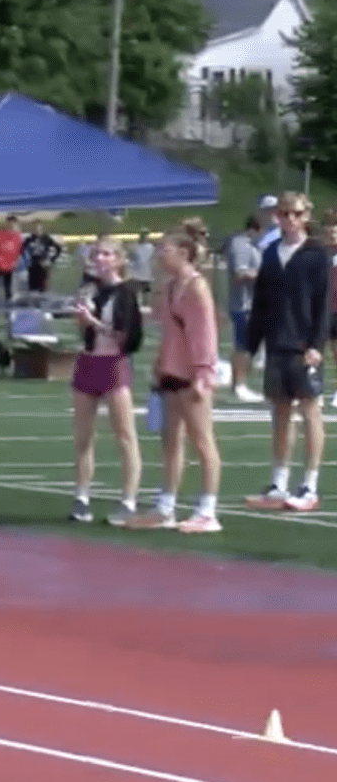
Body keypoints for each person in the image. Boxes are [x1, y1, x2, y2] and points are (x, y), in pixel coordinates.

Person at [242, 191, 331, 512]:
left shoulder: (316, 254)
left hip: (304, 347)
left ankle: (309, 484)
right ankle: (278, 482)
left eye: (294, 213)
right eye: (283, 213)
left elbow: (323, 304)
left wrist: (316, 345)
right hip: (276, 344)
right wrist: (249, 348)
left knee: (309, 411)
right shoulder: (270, 255)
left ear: (306, 215)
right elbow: (262, 307)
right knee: (280, 413)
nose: (288, 219)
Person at [129, 233, 222, 533]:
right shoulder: (169, 289)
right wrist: (159, 364)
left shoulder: (197, 287)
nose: (159, 255)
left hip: (192, 374)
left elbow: (205, 334)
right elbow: (168, 332)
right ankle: (165, 507)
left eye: (164, 249)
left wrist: (203, 373)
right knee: (170, 440)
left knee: (202, 440)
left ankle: (207, 510)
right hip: (171, 371)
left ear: (184, 252)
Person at [67, 245, 144, 525]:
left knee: (124, 435)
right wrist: (82, 320)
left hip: (113, 365)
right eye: (97, 253)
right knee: (83, 436)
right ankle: (81, 495)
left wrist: (94, 323)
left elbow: (125, 337)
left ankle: (128, 500)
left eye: (107, 254)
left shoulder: (126, 293)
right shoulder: (90, 289)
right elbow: (83, 327)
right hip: (88, 363)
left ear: (119, 260)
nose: (100, 259)